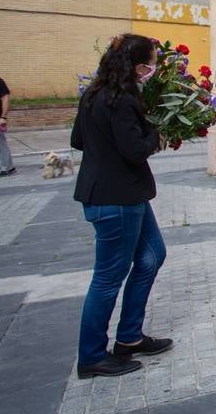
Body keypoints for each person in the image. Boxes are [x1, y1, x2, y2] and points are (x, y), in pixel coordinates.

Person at [71, 34, 173, 378]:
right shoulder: (122, 99)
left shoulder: (93, 94)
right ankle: (91, 356)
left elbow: (77, 140)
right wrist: (156, 137)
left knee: (151, 256)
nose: (153, 69)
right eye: (150, 63)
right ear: (136, 65)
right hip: (115, 200)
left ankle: (129, 336)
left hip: (123, 195)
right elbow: (134, 149)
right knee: (107, 278)